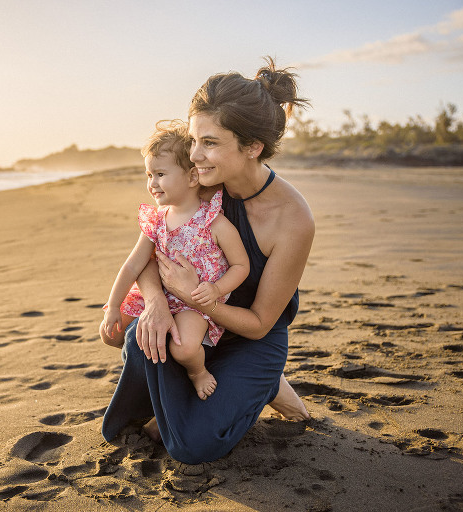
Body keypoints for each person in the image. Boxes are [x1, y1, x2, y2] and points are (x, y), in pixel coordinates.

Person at [102, 57, 314, 465]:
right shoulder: (195, 185)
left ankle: (266, 383)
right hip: (192, 322)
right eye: (194, 138)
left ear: (252, 148)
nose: (194, 155)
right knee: (139, 337)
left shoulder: (292, 219)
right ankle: (199, 376)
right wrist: (157, 304)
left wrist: (197, 299)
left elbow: (259, 323)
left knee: (194, 445)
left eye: (210, 143)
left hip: (251, 336)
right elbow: (151, 245)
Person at [100, 120, 249, 400]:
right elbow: (133, 265)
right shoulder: (157, 220)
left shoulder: (213, 222)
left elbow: (242, 265)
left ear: (192, 178)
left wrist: (216, 290)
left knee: (185, 349)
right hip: (160, 294)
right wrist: (114, 305)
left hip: (195, 302)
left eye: (160, 174)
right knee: (110, 332)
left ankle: (197, 373)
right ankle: (145, 371)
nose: (152, 184)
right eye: (149, 175)